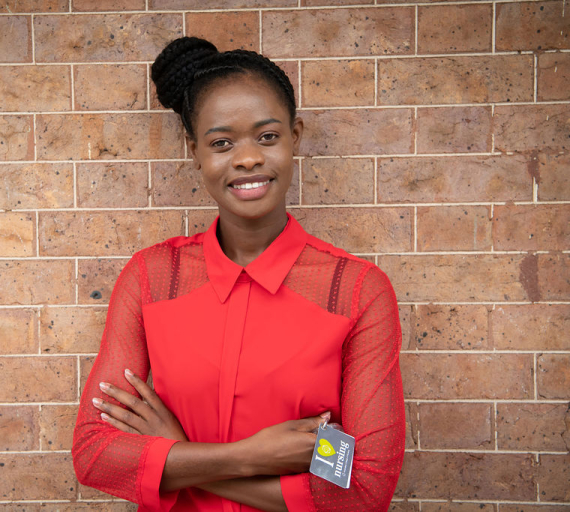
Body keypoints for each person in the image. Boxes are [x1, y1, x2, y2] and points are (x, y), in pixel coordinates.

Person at [72, 36, 405, 512]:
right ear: (195, 152)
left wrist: (178, 452)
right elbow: (95, 453)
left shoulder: (354, 290)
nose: (247, 158)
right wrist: (251, 457)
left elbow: (365, 486)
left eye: (267, 137)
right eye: (222, 143)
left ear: (295, 137)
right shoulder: (151, 278)